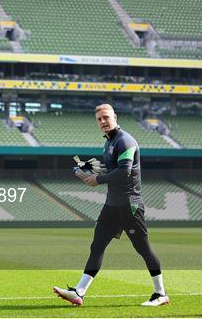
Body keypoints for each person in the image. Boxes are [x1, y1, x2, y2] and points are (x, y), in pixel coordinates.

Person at [53, 104, 169, 307]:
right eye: (99, 119)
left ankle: (160, 294)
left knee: (143, 248)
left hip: (129, 204)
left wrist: (97, 180)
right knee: (97, 245)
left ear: (114, 117)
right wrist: (89, 166)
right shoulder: (108, 143)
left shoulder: (125, 140)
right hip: (112, 205)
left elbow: (124, 171)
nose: (103, 122)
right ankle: (79, 292)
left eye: (106, 117)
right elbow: (110, 166)